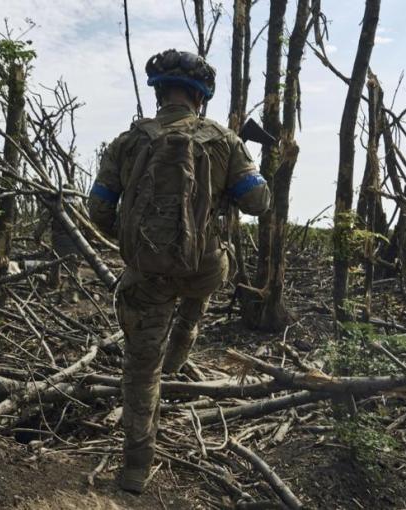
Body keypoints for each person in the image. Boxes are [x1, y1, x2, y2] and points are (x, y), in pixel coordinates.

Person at [87, 49, 271, 494]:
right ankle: (183, 340)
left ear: (158, 93)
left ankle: (135, 468)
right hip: (204, 268)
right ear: (200, 98)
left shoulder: (128, 142)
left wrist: (134, 244)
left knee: (140, 369)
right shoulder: (224, 141)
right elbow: (258, 203)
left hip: (147, 275)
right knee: (200, 285)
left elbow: (98, 208)